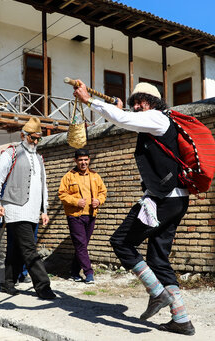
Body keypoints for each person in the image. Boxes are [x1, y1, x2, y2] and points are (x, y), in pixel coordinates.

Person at [73, 81, 196, 336]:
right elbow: (124, 117)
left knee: (121, 242)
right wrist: (117, 109)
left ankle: (156, 292)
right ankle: (181, 319)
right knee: (158, 259)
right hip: (175, 199)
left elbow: (122, 119)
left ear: (154, 102)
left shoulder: (158, 118)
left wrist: (89, 101)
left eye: (141, 100)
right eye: (134, 102)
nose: (137, 105)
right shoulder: (155, 122)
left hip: (162, 199)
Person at [0, 117, 56, 300]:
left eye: (38, 139)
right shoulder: (10, 153)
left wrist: (44, 210)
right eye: (32, 138)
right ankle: (43, 287)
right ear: (23, 135)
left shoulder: (39, 158)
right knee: (29, 249)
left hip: (33, 211)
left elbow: (43, 186)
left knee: (16, 249)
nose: (35, 142)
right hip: (15, 209)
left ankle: (8, 283)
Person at [58, 148, 107, 284]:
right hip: (75, 216)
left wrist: (99, 200)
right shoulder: (68, 176)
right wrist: (75, 201)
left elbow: (103, 192)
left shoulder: (95, 176)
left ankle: (74, 271)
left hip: (91, 215)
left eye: (86, 160)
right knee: (80, 244)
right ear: (75, 161)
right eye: (80, 160)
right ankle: (88, 272)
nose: (83, 162)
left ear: (89, 160)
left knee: (82, 245)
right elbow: (62, 194)